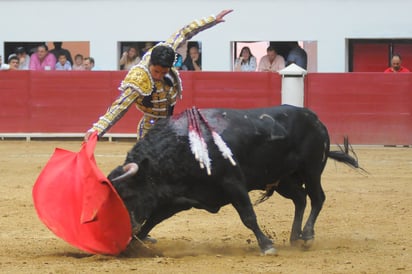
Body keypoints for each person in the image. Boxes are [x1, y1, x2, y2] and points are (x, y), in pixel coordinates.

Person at [84, 9, 233, 142]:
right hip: (151, 125)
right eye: (156, 71)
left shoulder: (166, 50)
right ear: (150, 64)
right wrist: (96, 130)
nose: (159, 76)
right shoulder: (139, 77)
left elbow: (184, 32)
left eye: (164, 72)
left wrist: (212, 20)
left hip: (169, 121)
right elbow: (119, 107)